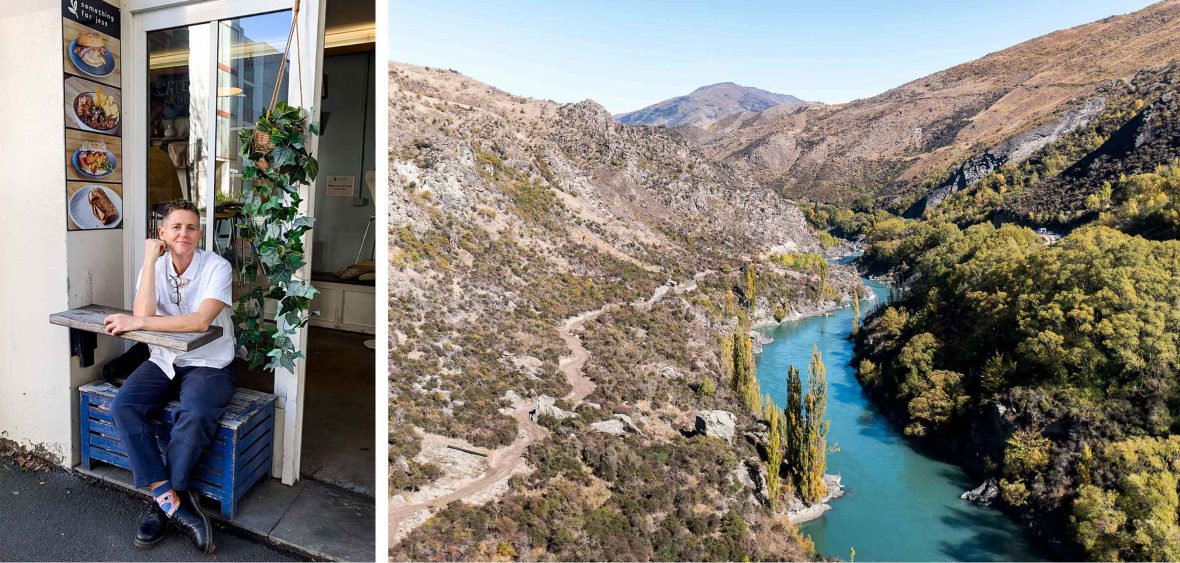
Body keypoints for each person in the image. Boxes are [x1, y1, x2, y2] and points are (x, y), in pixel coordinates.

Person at [103, 199, 236, 553]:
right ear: (161, 234)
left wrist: (140, 322)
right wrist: (149, 260)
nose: (184, 234)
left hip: (208, 362)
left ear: (200, 234)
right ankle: (172, 502)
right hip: (164, 358)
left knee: (193, 415)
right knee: (124, 407)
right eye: (175, 227)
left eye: (191, 227)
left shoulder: (217, 267)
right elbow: (142, 311)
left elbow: (200, 321)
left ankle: (164, 505)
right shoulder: (154, 266)